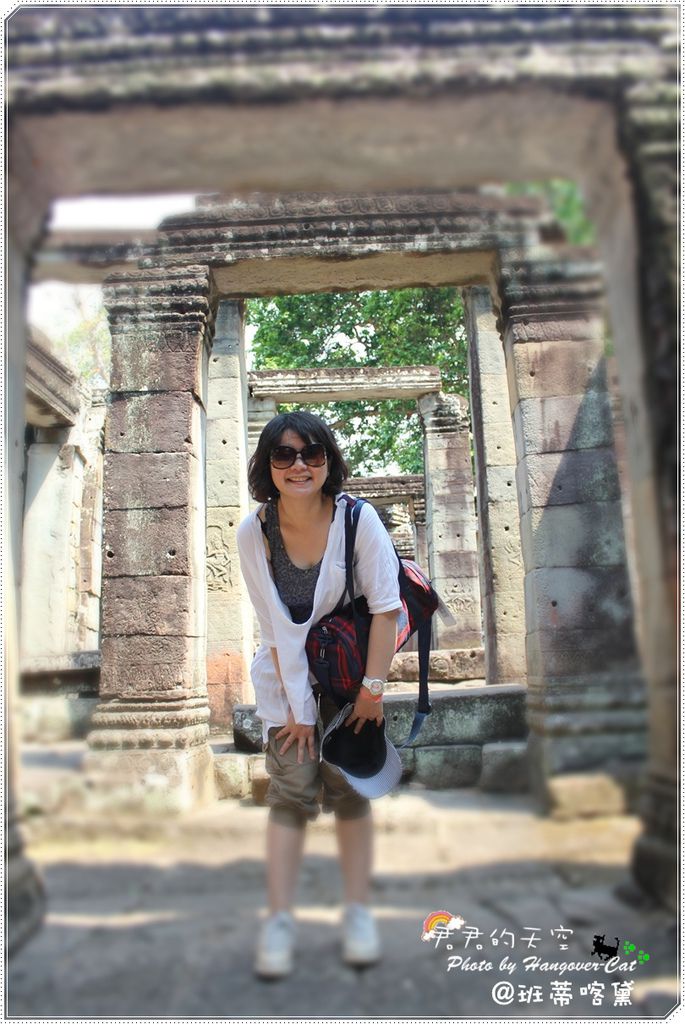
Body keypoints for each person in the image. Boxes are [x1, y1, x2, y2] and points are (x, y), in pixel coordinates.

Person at [236, 410, 402, 979]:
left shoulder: (359, 520)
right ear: (267, 466)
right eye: (283, 455)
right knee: (290, 792)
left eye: (311, 453)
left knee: (349, 793)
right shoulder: (254, 533)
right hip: (286, 681)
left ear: (328, 460)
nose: (299, 465)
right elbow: (275, 628)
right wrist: (298, 711)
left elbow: (386, 609)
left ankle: (357, 912)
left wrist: (372, 693)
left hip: (353, 679)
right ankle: (279, 918)